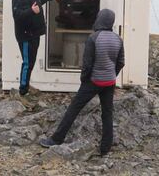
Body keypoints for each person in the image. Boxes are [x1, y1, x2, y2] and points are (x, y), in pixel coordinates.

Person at [39, 9, 125, 156]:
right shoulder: (118, 39)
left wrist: (85, 79)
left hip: (93, 81)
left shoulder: (93, 38)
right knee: (107, 114)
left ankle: (56, 139)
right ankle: (105, 147)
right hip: (109, 82)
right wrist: (112, 75)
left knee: (73, 109)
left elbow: (87, 64)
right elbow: (121, 62)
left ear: (99, 19)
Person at [12, 0, 62, 96]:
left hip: (34, 34)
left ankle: (26, 86)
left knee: (31, 61)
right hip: (26, 36)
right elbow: (17, 16)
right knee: (28, 63)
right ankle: (23, 90)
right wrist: (31, 11)